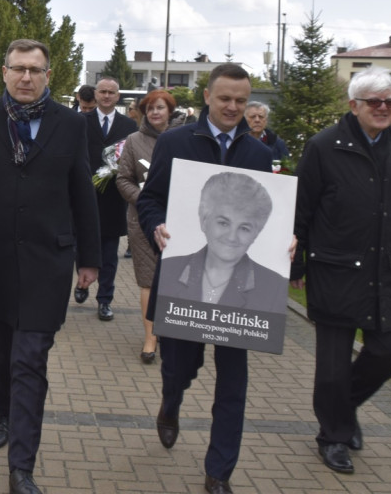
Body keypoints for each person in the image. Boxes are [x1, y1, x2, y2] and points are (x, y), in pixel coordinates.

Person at [0, 38, 100, 494]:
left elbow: (82, 192)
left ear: (49, 75)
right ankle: (3, 410)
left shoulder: (70, 124)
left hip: (48, 260)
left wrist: (90, 259)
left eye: (36, 70)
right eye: (19, 69)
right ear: (4, 72)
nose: (27, 77)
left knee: (31, 359)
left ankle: (21, 466)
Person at [137, 62, 274, 494]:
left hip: (241, 292)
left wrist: (283, 243)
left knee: (233, 383)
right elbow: (151, 199)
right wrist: (156, 225)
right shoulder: (176, 142)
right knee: (179, 366)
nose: (234, 107)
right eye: (225, 99)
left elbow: (265, 216)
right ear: (208, 99)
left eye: (241, 100)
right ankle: (171, 401)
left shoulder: (259, 154)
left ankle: (219, 472)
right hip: (184, 279)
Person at [291, 66, 391, 476]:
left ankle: (343, 411)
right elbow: (302, 208)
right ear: (354, 105)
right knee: (331, 367)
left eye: (390, 102)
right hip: (335, 270)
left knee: (387, 351)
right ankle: (333, 436)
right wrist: (295, 262)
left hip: (387, 272)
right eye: (375, 102)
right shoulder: (324, 146)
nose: (383, 108)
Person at [159, 171, 286, 312]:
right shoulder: (169, 269)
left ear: (256, 233)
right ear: (204, 221)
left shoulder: (274, 286)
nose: (232, 237)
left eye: (244, 228)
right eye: (223, 223)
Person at [116, 90, 178, 364]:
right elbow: (123, 178)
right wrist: (146, 200)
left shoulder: (184, 141)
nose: (155, 113)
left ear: (169, 111)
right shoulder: (133, 141)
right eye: (150, 108)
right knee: (148, 280)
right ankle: (150, 336)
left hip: (178, 221)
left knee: (176, 278)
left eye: (160, 108)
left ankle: (173, 330)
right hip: (142, 221)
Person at [77, 76, 137, 320]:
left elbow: (132, 159)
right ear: (96, 94)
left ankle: (105, 299)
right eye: (102, 92)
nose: (106, 96)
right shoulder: (80, 121)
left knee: (109, 253)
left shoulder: (128, 126)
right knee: (81, 247)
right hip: (84, 194)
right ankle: (82, 284)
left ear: (118, 96)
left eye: (111, 92)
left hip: (113, 196)